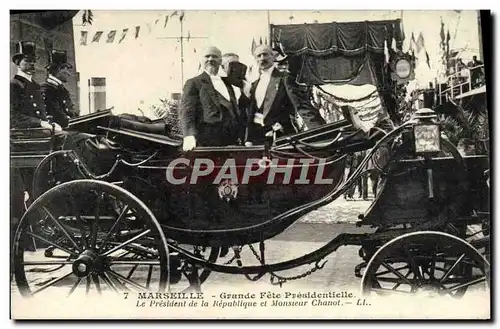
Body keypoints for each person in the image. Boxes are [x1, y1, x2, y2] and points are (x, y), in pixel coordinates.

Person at [245, 45, 325, 145]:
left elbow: (301, 106)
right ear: (255, 59)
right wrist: (248, 139)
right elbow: (251, 115)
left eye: (265, 54)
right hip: (258, 140)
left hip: (280, 137)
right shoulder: (254, 85)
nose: (262, 58)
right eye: (258, 56)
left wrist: (320, 133)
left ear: (273, 57)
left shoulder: (284, 78)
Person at [179, 46, 246, 151]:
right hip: (207, 140)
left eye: (214, 56)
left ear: (220, 61)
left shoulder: (227, 84)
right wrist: (189, 136)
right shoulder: (194, 83)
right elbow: (187, 112)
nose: (210, 59)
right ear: (202, 60)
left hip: (230, 140)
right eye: (207, 56)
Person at [10, 41, 62, 133]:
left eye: (33, 60)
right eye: (27, 60)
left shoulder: (36, 85)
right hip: (24, 132)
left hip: (39, 129)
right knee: (67, 137)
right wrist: (40, 123)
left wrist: (49, 123)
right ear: (18, 63)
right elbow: (13, 117)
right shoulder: (14, 85)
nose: (32, 63)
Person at [40, 49, 78, 128]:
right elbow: (56, 114)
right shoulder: (48, 89)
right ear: (59, 69)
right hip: (59, 128)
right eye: (66, 69)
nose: (69, 74)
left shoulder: (59, 88)